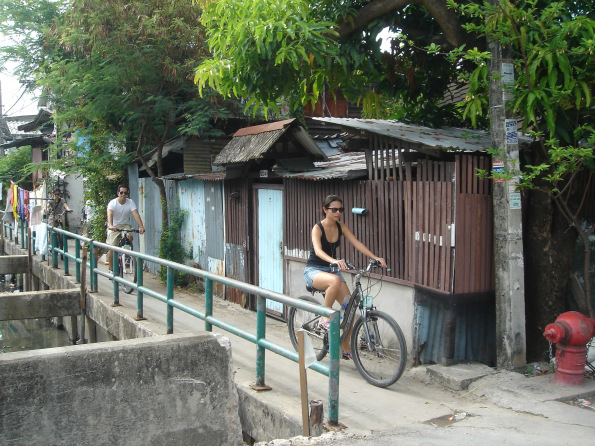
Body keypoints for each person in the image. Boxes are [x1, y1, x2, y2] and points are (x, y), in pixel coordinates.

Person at [304, 194, 386, 359]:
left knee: (349, 309)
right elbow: (318, 250)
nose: (338, 212)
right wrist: (334, 261)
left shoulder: (341, 226)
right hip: (315, 270)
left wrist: (375, 257)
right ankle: (324, 317)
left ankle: (346, 346)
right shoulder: (317, 228)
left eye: (340, 209)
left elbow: (357, 243)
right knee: (334, 280)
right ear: (325, 209)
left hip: (332, 269)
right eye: (334, 209)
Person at [106, 185, 145, 273]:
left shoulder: (130, 202)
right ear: (118, 193)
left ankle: (128, 255)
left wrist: (141, 226)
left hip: (125, 225)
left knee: (129, 237)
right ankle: (112, 269)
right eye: (121, 192)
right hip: (115, 226)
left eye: (125, 193)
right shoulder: (113, 203)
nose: (123, 195)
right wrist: (111, 225)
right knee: (112, 247)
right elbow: (110, 215)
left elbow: (135, 214)